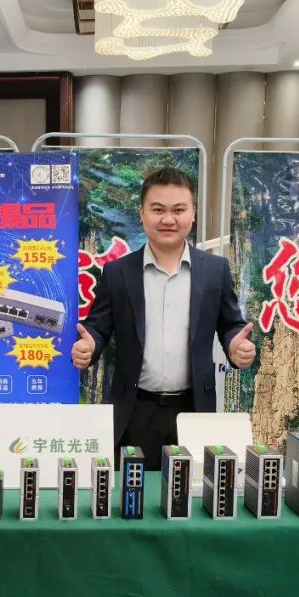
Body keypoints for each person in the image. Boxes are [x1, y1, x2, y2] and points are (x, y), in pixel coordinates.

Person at [72, 167, 257, 470]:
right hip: (134, 411)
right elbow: (98, 327)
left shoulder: (215, 270)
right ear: (142, 213)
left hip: (193, 412)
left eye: (178, 210)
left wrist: (236, 346)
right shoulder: (118, 273)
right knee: (132, 493)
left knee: (189, 493)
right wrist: (89, 346)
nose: (168, 219)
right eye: (158, 210)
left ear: (192, 213)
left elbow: (231, 325)